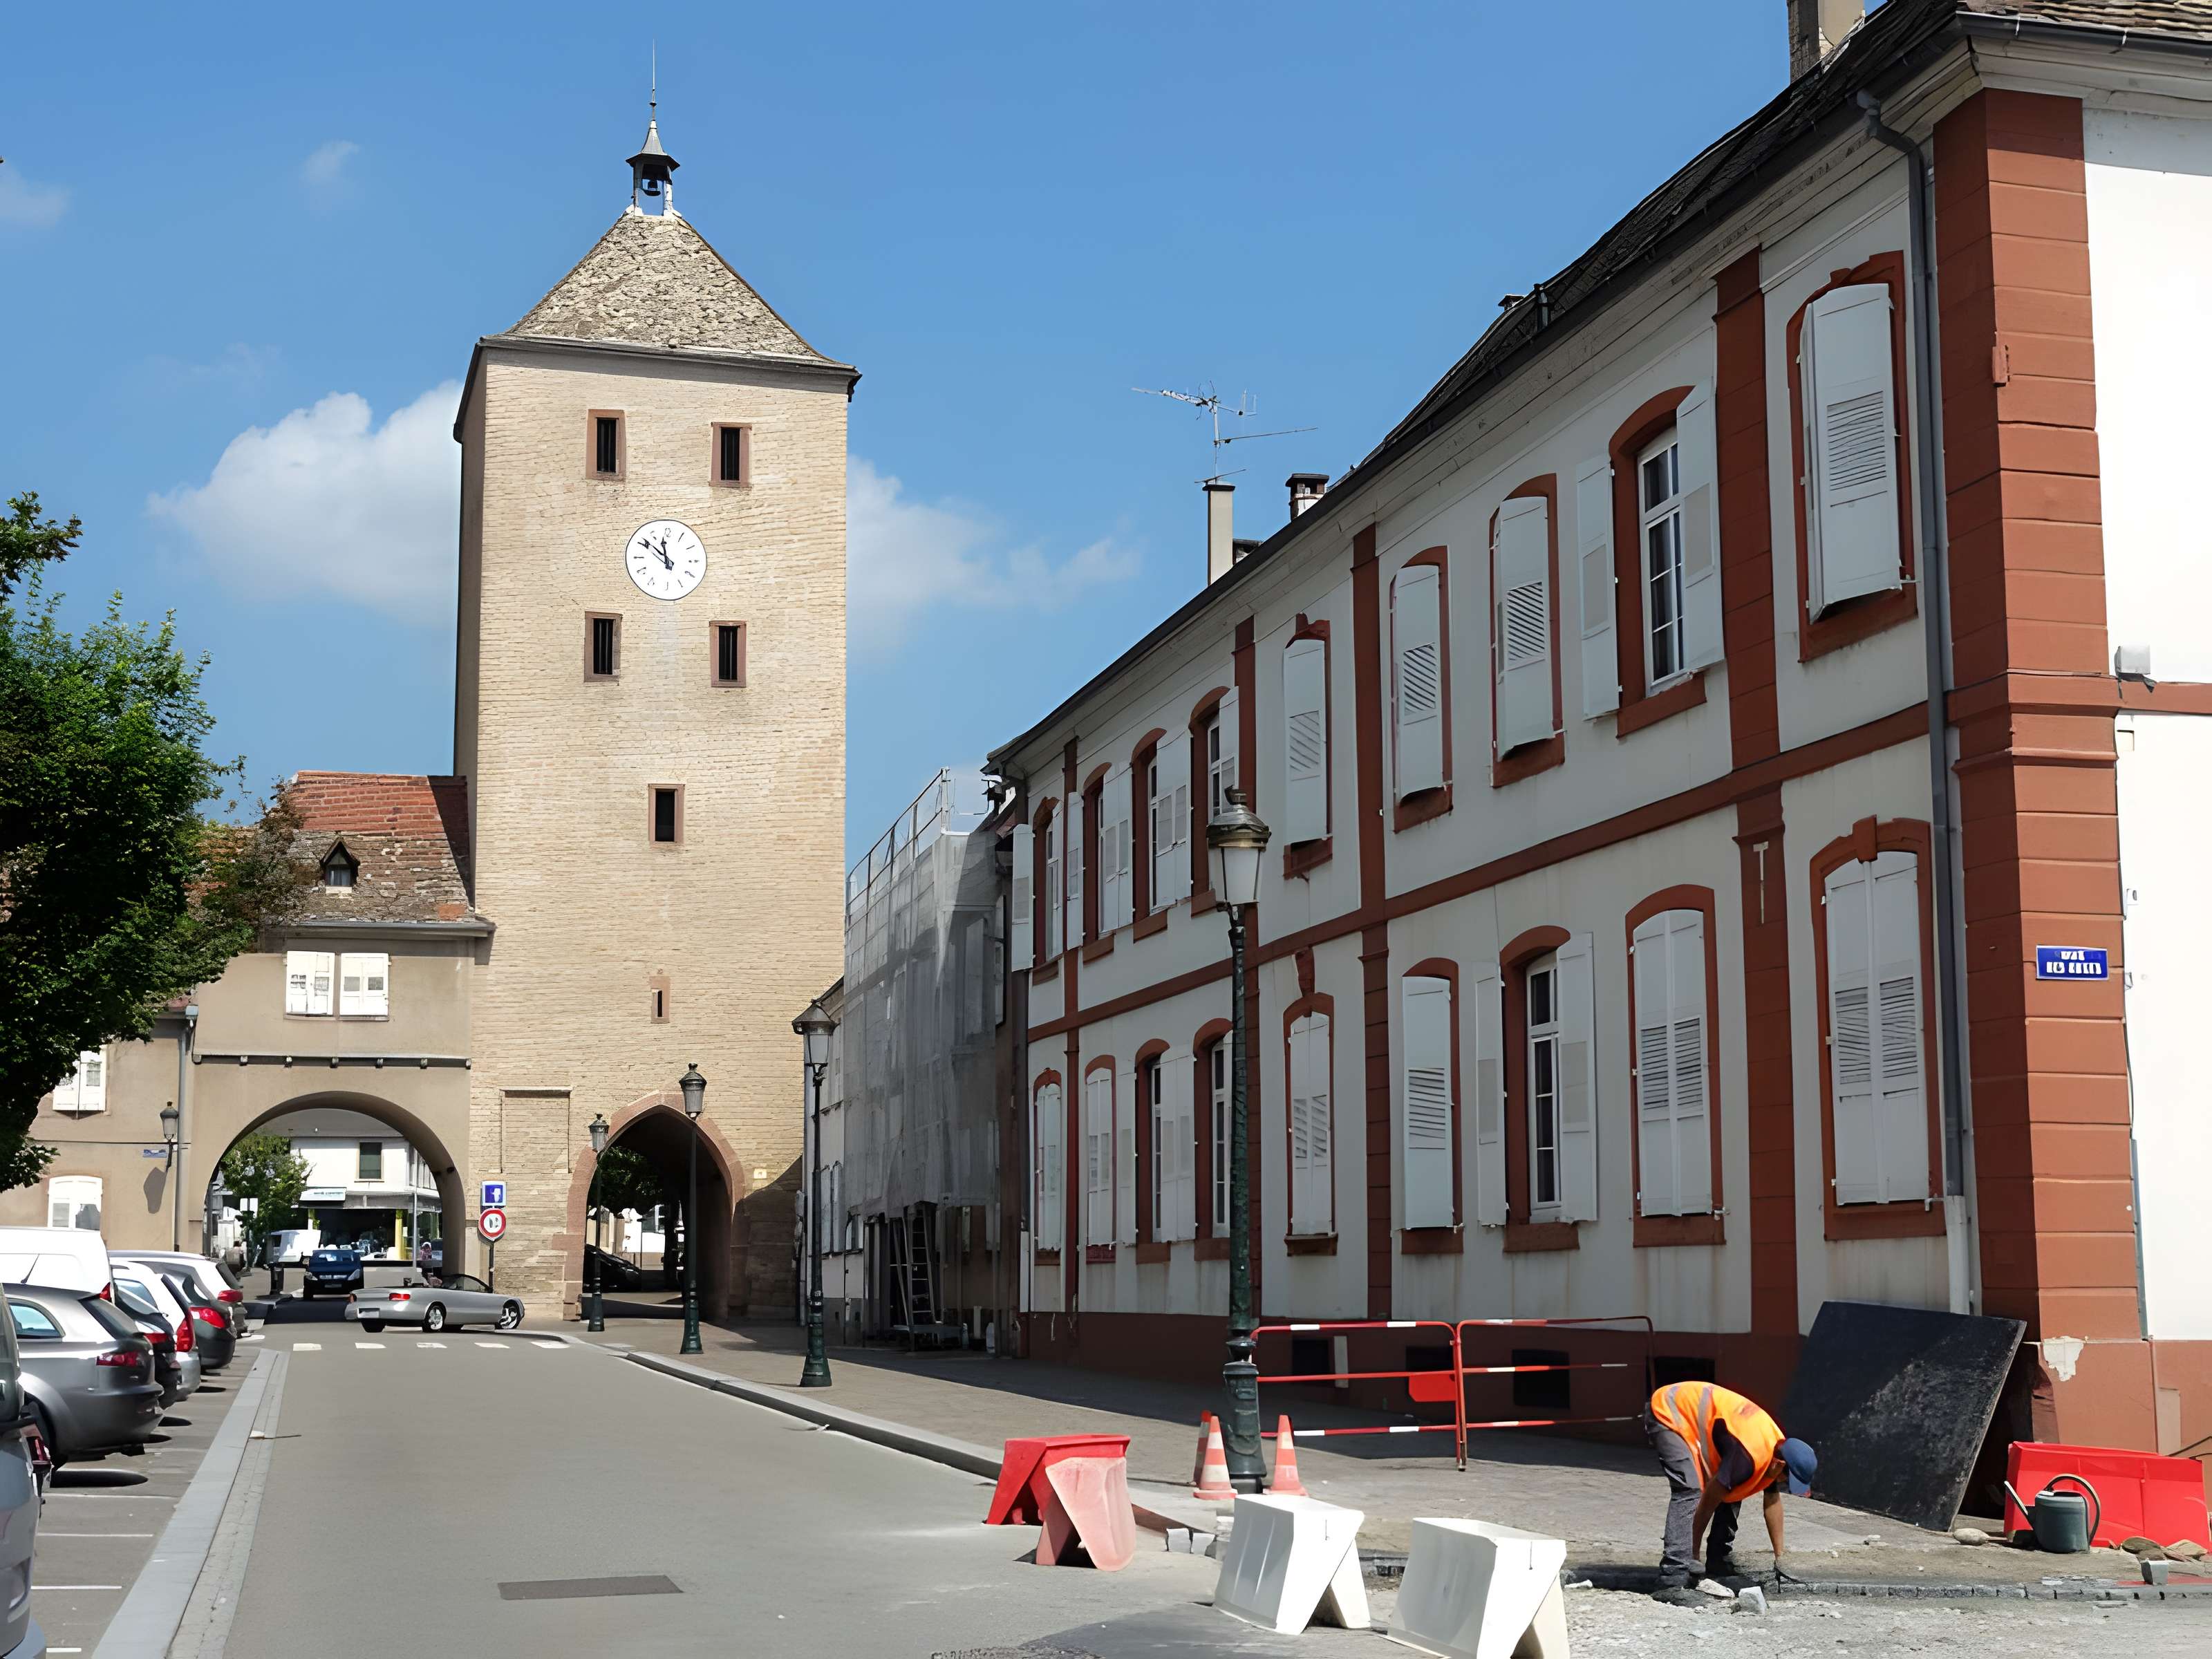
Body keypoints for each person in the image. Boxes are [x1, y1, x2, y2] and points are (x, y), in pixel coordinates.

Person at [1643, 1380, 1817, 1606]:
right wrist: (1693, 1559)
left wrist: (1781, 1559)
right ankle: (1672, 1579)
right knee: (1689, 1490)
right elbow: (1707, 1502)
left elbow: (1772, 1502)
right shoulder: (1748, 1456)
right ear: (1779, 1464)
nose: (1784, 1484)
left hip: (1701, 1421)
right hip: (1670, 1410)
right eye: (1787, 1479)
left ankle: (1718, 1563)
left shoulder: (1776, 1448)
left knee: (1736, 1487)